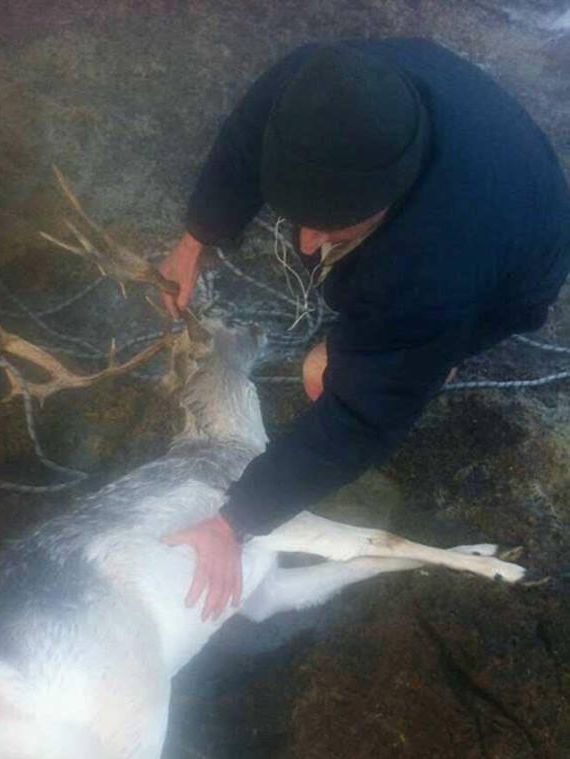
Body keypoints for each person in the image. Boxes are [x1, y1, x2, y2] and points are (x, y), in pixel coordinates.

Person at [160, 39, 570, 621]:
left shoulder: (434, 266)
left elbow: (361, 419)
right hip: (485, 153)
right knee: (367, 322)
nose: (303, 243)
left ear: (393, 196)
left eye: (332, 226)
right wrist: (194, 239)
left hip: (520, 263)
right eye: (299, 218)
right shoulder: (315, 89)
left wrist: (236, 520)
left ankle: (439, 354)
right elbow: (245, 140)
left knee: (326, 375)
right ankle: (413, 345)